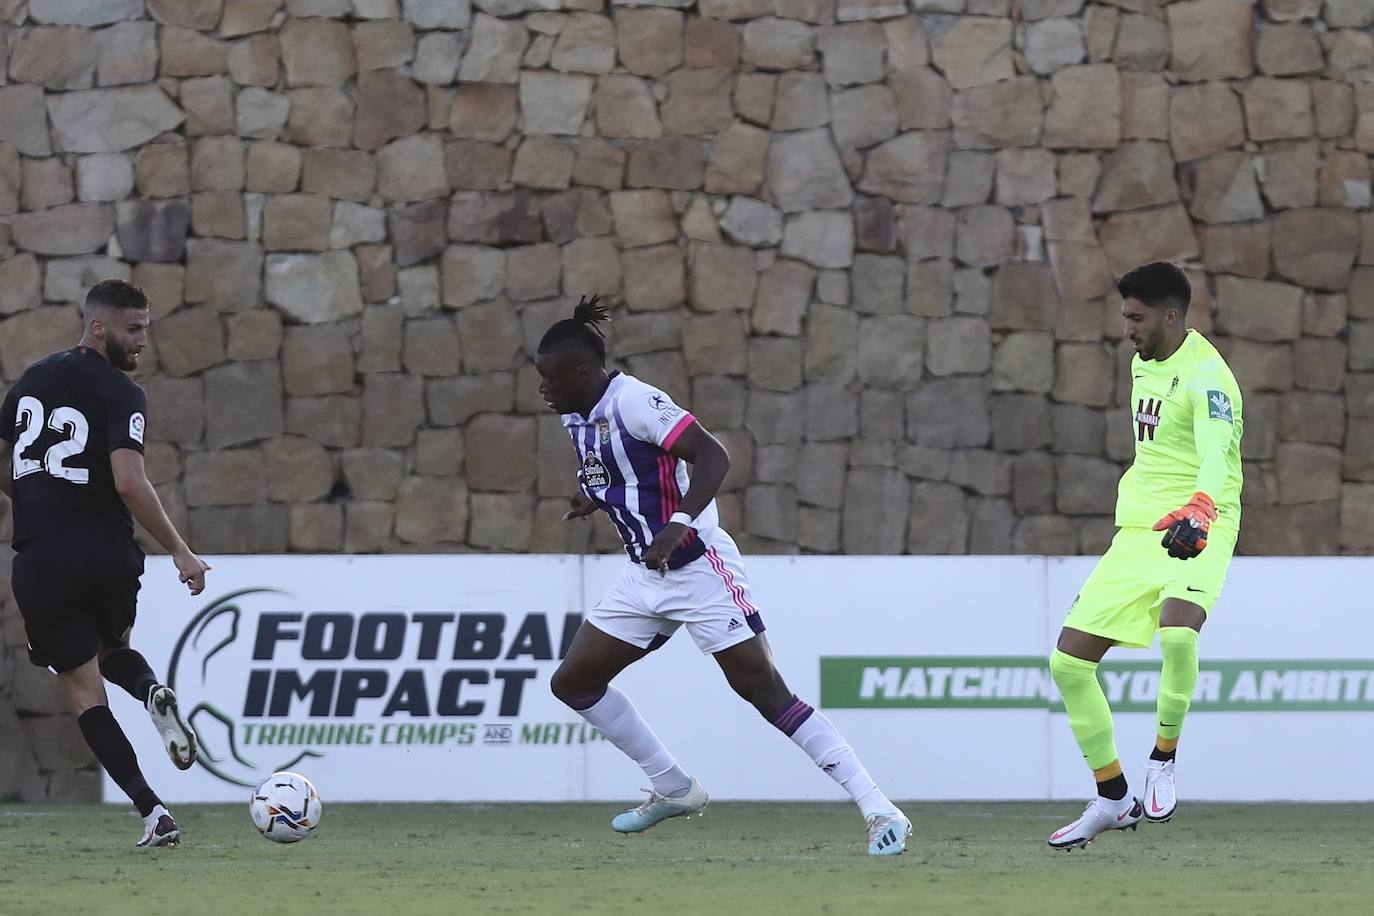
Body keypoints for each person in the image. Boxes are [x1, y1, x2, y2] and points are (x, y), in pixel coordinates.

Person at [536, 295, 910, 856]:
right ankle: (673, 787)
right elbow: (619, 466)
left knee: (764, 693)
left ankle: (879, 807)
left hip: (698, 568)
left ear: (583, 371)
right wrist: (592, 494)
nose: (543, 389)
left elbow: (712, 457)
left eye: (549, 378)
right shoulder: (574, 411)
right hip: (645, 576)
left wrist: (677, 524)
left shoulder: (636, 401)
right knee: (573, 683)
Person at [0, 279, 211, 848]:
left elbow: (6, 468)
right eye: (133, 328)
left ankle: (153, 813)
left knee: (84, 690)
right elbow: (128, 481)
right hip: (109, 552)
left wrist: (43, 497)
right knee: (111, 649)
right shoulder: (122, 393)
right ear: (99, 327)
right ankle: (149, 692)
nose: (143, 340)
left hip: (43, 556)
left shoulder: (27, 385)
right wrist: (180, 549)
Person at [1047, 262, 1244, 850]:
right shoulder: (1144, 361)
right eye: (1125, 316)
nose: (1127, 328)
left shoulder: (1208, 377)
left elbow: (1215, 450)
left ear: (1171, 315)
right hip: (1138, 530)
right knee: (1067, 664)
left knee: (1178, 635)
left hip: (1199, 520)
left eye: (1136, 317)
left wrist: (1202, 507)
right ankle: (1113, 797)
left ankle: (1163, 759)